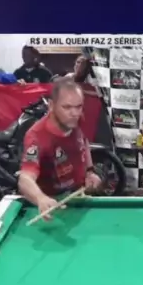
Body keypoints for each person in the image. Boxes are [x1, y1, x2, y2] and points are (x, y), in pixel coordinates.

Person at [18, 78, 103, 218]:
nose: (75, 113)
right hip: (52, 204)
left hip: (78, 196)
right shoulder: (37, 136)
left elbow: (84, 141)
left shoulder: (77, 119)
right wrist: (40, 198)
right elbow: (25, 178)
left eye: (78, 106)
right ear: (51, 105)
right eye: (67, 107)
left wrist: (90, 171)